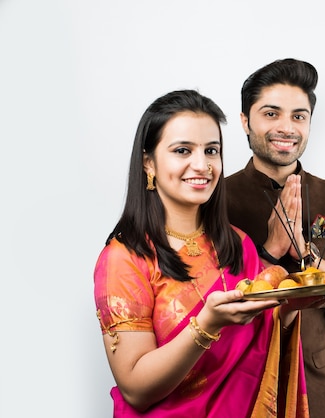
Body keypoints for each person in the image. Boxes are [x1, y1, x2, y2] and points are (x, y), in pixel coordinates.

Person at [94, 89, 312, 417]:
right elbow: (136, 389)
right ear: (148, 162)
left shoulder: (238, 245)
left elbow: (261, 346)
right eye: (183, 150)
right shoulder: (125, 259)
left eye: (212, 150)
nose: (202, 165)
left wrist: (291, 308)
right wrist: (206, 324)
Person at [226, 58, 325, 418]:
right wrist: (270, 249)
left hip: (318, 387)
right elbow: (199, 299)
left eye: (298, 116)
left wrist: (306, 253)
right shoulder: (213, 199)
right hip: (236, 383)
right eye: (271, 113)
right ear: (245, 121)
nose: (286, 127)